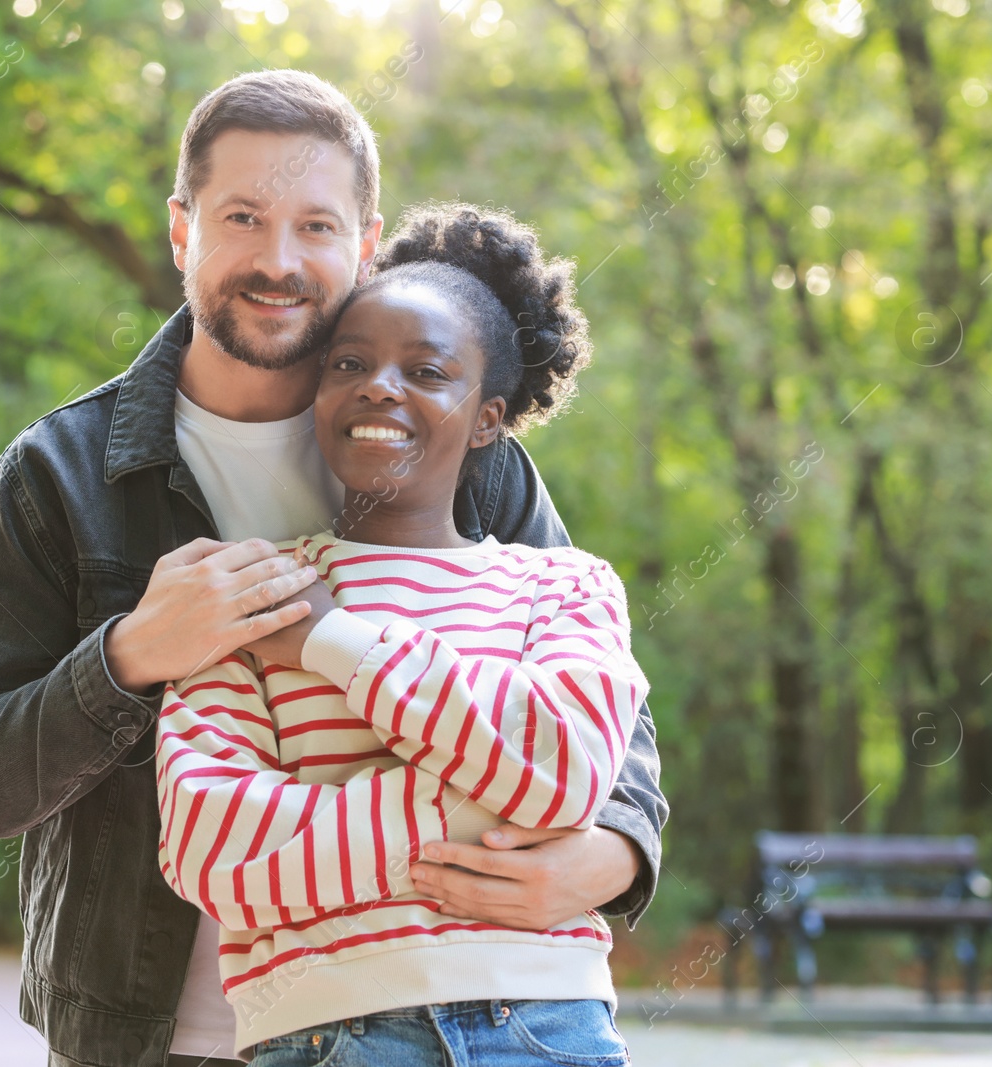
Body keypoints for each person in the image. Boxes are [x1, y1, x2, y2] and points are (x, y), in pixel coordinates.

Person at [0, 69, 667, 1067]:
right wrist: (131, 653)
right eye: (242, 216)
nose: (278, 260)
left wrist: (609, 853)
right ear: (181, 227)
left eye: (316, 226)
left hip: (477, 1010)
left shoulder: (458, 449)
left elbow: (601, 707)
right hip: (144, 1034)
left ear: (363, 242)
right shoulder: (59, 472)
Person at [157, 203, 646, 1064]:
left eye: (428, 370)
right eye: (351, 362)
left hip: (548, 1025)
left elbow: (565, 764)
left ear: (488, 417)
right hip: (324, 1035)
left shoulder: (567, 585)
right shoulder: (251, 590)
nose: (382, 385)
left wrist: (332, 640)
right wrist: (486, 796)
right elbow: (214, 849)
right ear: (319, 392)